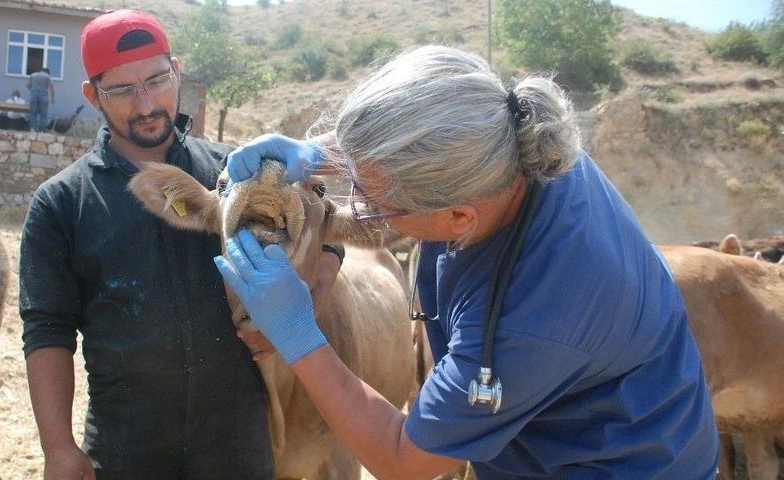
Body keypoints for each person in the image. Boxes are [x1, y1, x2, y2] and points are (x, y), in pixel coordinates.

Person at [218, 46, 720, 479]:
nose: (362, 210)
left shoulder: (526, 323)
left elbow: (401, 457)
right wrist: (319, 154)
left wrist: (297, 333)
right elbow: (426, 131)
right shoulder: (513, 141)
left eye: (376, 200)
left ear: (458, 215)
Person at [19, 10, 342, 480]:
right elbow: (47, 329)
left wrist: (316, 288)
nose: (147, 102)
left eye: (156, 80)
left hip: (237, 443)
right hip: (126, 446)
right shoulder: (62, 203)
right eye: (123, 90)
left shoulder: (233, 175)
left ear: (176, 71)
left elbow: (319, 220)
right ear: (92, 96)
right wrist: (58, 447)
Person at [27, 66, 55, 132]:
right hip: (43, 95)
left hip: (33, 95)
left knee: (33, 113)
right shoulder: (47, 76)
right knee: (43, 114)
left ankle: (32, 128)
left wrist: (32, 90)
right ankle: (42, 130)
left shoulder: (33, 75)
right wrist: (52, 97)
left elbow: (27, 85)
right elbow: (52, 87)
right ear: (48, 73)